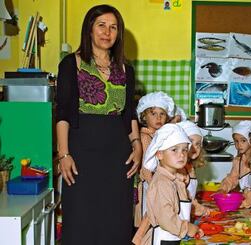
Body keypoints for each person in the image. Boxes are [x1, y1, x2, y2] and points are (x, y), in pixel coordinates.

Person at [56, 4, 142, 245]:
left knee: (117, 218)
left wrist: (137, 146)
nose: (107, 32)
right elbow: (63, 111)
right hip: (82, 153)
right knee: (81, 218)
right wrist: (64, 154)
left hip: (118, 155)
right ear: (90, 30)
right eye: (101, 25)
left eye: (113, 27)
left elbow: (128, 114)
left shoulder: (126, 69)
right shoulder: (71, 63)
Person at [140, 124, 204, 244]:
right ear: (159, 154)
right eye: (174, 150)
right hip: (162, 240)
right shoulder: (161, 183)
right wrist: (187, 228)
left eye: (184, 149)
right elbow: (165, 217)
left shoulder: (175, 180)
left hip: (174, 238)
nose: (181, 155)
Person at [135, 91, 175, 227]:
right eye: (153, 114)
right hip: (149, 182)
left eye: (162, 114)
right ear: (144, 116)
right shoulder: (144, 137)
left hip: (161, 181)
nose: (158, 118)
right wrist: (153, 183)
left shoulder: (162, 136)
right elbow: (146, 167)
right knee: (148, 214)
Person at [218, 120, 251, 193]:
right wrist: (223, 189)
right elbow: (232, 178)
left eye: (243, 141)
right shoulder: (238, 160)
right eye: (236, 141)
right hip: (245, 197)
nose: (239, 144)